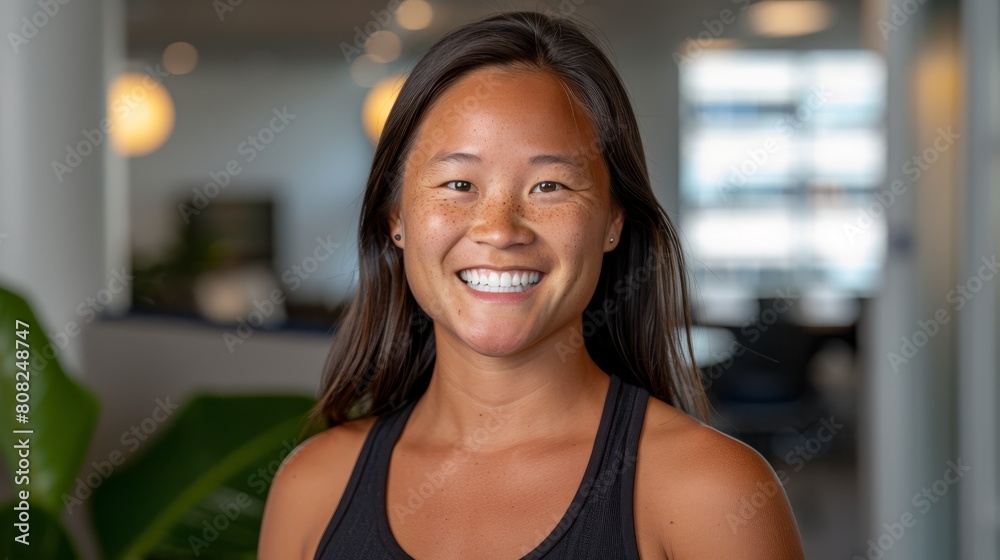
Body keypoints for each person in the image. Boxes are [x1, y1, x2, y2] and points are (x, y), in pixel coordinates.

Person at [259, 10, 805, 560]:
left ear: (613, 221)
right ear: (395, 218)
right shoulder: (312, 489)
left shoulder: (711, 494)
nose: (499, 229)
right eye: (458, 183)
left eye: (549, 185)